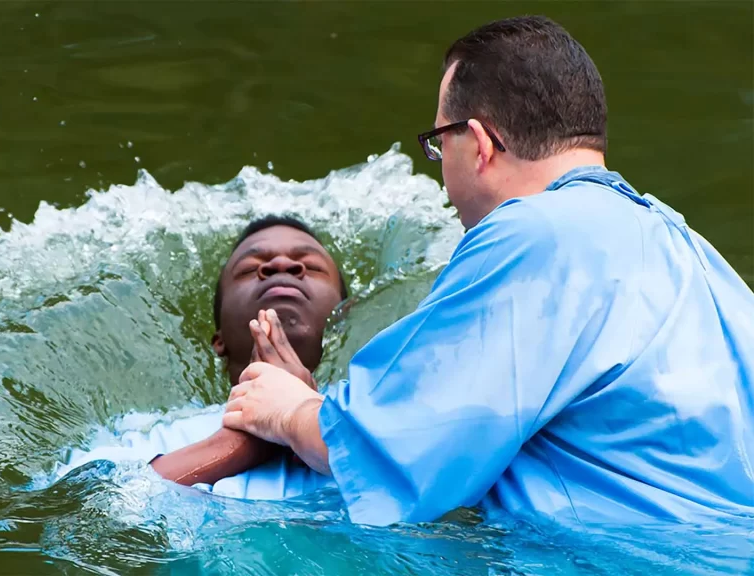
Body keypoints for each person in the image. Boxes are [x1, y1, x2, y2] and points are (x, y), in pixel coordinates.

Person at [222, 15, 754, 527]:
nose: (441, 172)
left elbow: (396, 449)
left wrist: (292, 412)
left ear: (477, 142)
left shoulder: (535, 234)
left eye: (438, 144)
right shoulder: (692, 249)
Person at [34, 215, 347, 500]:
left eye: (310, 265)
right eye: (250, 268)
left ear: (343, 325)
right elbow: (67, 507)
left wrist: (299, 419)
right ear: (219, 340)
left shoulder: (366, 409)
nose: (280, 264)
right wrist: (235, 447)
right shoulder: (146, 435)